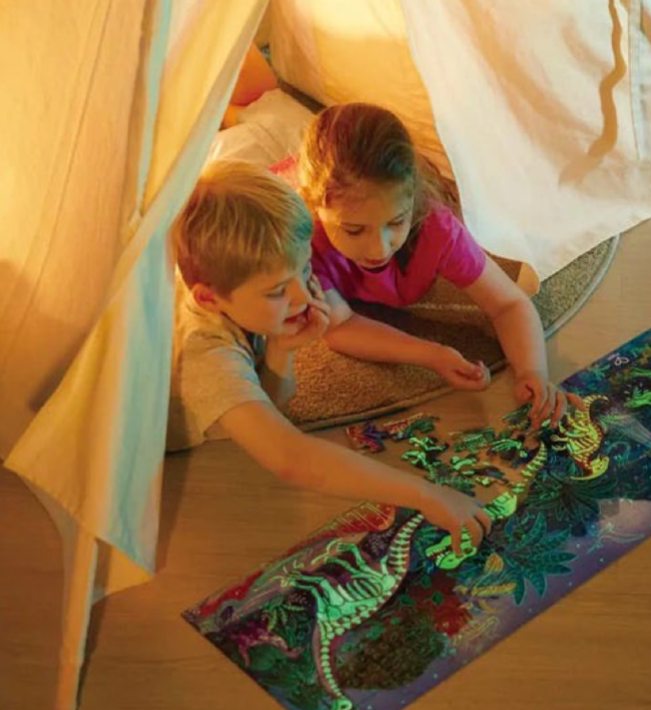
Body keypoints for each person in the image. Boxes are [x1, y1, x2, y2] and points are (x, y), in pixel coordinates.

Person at [169, 159, 492, 557]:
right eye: (276, 292)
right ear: (207, 298)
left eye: (305, 270)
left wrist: (282, 349)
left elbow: (278, 402)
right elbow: (290, 458)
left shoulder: (252, 294)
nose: (304, 297)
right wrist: (426, 494)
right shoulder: (206, 354)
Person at [295, 103, 581, 428]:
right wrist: (430, 354)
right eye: (354, 230)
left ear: (412, 202)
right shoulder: (303, 239)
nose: (379, 248)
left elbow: (509, 303)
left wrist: (533, 371)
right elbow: (340, 327)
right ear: (314, 207)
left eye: (397, 222)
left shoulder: (436, 228)